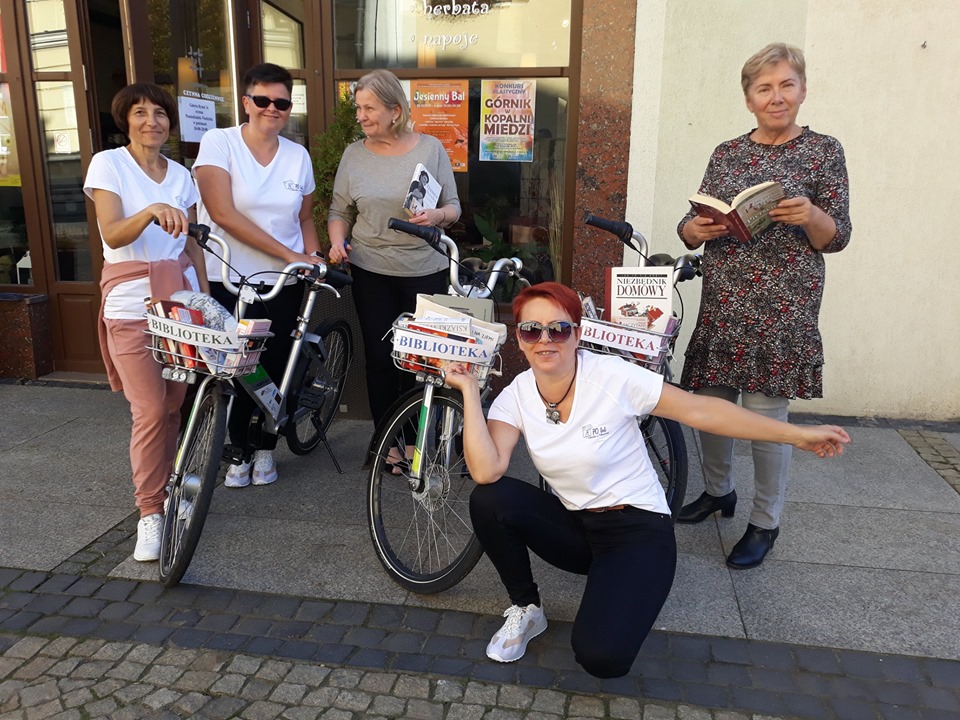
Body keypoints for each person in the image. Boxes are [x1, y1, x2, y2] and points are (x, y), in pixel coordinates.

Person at [443, 282, 849, 678]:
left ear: (578, 334)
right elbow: (486, 470)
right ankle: (527, 609)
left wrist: (796, 435)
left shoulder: (611, 376)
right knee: (489, 498)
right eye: (532, 329)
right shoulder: (517, 395)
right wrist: (469, 392)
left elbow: (701, 411)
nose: (545, 339)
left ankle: (624, 583)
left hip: (636, 529)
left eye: (559, 328)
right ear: (519, 338)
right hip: (576, 527)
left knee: (602, 658)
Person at [676, 42, 852, 569]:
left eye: (786, 85)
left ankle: (765, 522)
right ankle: (718, 492)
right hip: (725, 299)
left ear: (803, 90)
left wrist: (812, 215)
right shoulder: (727, 153)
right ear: (749, 99)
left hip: (784, 305)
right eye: (764, 88)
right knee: (711, 406)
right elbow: (690, 227)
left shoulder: (824, 151)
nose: (776, 97)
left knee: (766, 416)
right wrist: (695, 229)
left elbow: (837, 237)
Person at [84, 83, 209, 561]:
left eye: (159, 113)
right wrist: (151, 210)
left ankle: (171, 489)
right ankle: (150, 513)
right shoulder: (108, 164)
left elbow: (191, 242)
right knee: (150, 410)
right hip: (130, 305)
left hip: (179, 303)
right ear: (125, 121)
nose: (151, 121)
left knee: (175, 405)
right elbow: (114, 232)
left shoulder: (181, 174)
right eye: (140, 113)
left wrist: (205, 301)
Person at [194, 63, 322, 489]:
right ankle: (239, 449)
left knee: (273, 366)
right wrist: (289, 254)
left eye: (282, 103)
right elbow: (221, 213)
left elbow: (305, 218)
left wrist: (311, 256)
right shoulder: (220, 143)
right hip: (228, 278)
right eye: (263, 100)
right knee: (234, 368)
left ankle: (266, 447)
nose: (272, 109)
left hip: (284, 281)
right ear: (246, 102)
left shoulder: (298, 155)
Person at [328, 69, 461, 446]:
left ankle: (416, 441)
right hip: (371, 270)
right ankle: (388, 443)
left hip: (425, 270)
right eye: (358, 108)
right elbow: (339, 211)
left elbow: (454, 206)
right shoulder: (354, 155)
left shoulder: (430, 149)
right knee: (380, 358)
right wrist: (337, 242)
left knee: (417, 360)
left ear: (395, 111)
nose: (360, 116)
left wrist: (436, 216)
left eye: (369, 108)